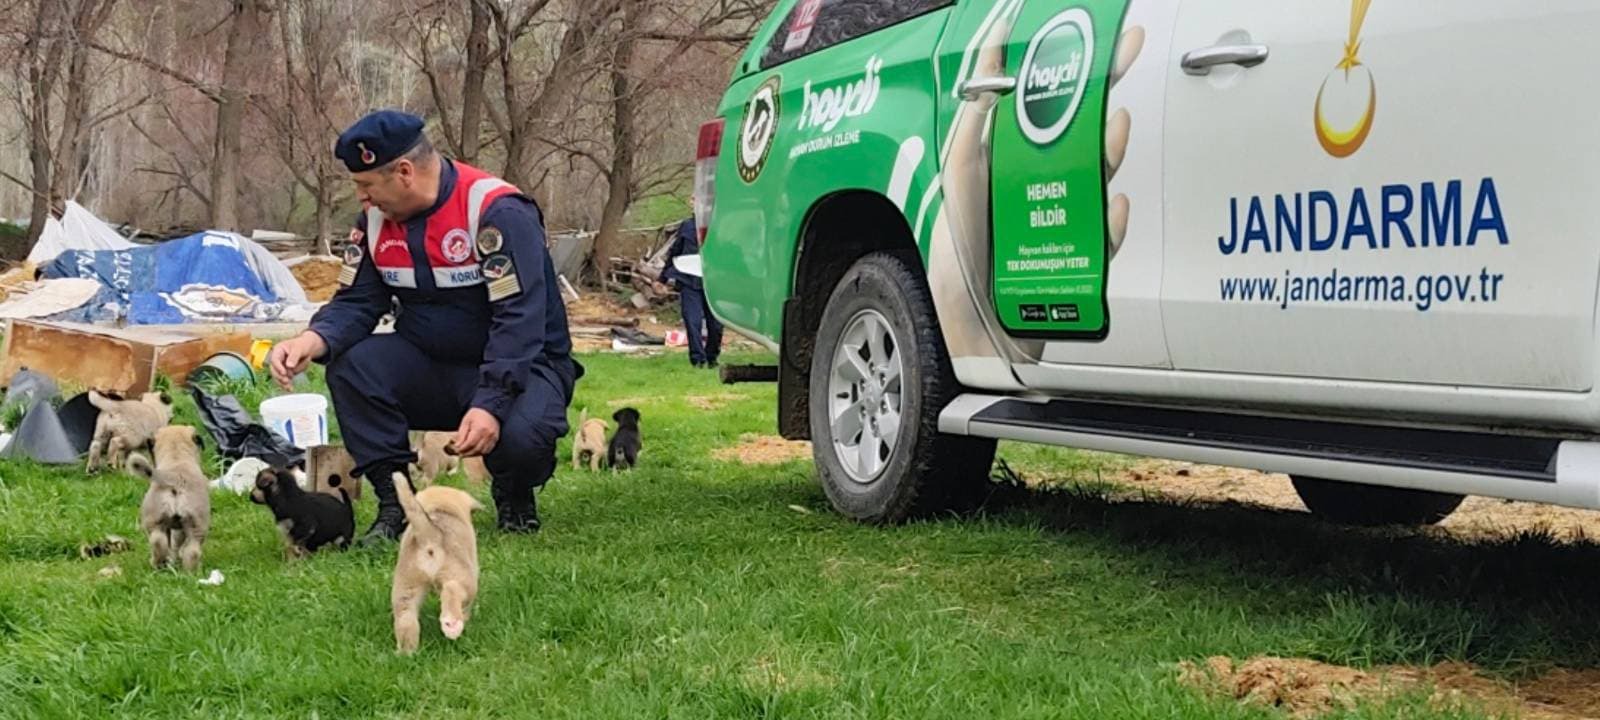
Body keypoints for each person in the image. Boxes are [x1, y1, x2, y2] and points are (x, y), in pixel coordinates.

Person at [269, 109, 579, 543]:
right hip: (431, 361)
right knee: (352, 365)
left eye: (366, 186)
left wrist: (490, 403)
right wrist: (312, 338)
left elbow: (519, 322)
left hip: (522, 366)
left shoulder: (496, 212)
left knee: (523, 438)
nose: (362, 200)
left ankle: (514, 491)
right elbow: (359, 299)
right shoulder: (376, 222)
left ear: (405, 172)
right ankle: (396, 502)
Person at [661, 214, 722, 368]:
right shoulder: (687, 226)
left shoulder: (720, 224)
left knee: (716, 325)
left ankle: (712, 357)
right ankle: (698, 360)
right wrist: (662, 278)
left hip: (713, 283)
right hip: (689, 282)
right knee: (691, 320)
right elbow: (676, 251)